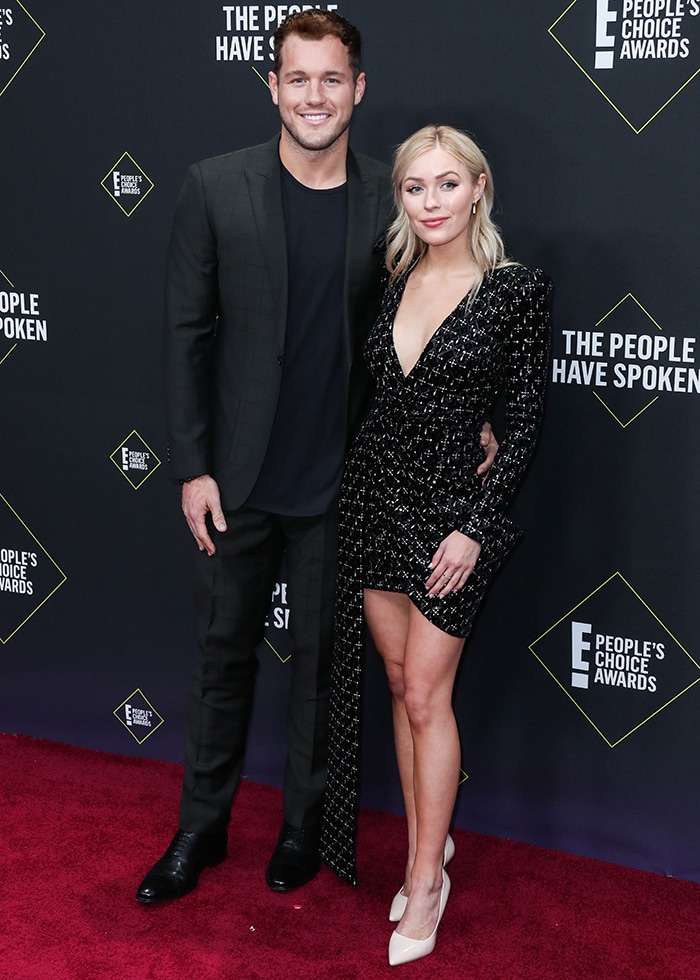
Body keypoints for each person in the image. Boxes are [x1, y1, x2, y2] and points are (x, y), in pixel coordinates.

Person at [136, 12, 497, 905]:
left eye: (332, 79)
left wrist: (483, 415)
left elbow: (450, 310)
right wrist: (192, 465)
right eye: (298, 79)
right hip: (237, 479)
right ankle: (200, 831)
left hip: (350, 480)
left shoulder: (393, 197)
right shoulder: (214, 187)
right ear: (272, 86)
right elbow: (185, 335)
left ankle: (303, 830)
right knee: (222, 657)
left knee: (325, 668)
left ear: (358, 88)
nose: (314, 97)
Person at [320, 125, 551, 965]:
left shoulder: (515, 288)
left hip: (458, 513)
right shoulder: (397, 277)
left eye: (447, 186)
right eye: (415, 189)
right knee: (395, 683)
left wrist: (476, 526)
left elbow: (523, 426)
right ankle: (433, 842)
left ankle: (425, 883)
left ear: (479, 188)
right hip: (377, 497)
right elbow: (389, 397)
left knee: (426, 694)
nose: (431, 203)